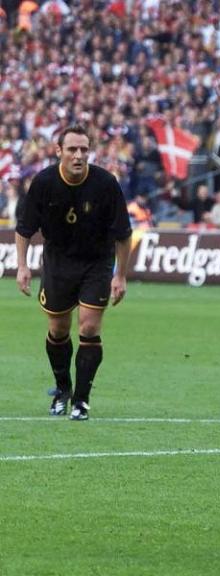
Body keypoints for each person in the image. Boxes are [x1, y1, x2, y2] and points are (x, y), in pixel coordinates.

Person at [14, 125, 132, 421]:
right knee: (58, 330)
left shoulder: (106, 184)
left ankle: (81, 400)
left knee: (89, 328)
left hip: (96, 262)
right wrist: (23, 266)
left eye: (83, 150)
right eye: (72, 150)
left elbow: (123, 234)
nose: (78, 156)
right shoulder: (43, 183)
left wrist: (121, 275)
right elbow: (24, 229)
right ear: (59, 152)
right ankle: (62, 389)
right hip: (57, 262)